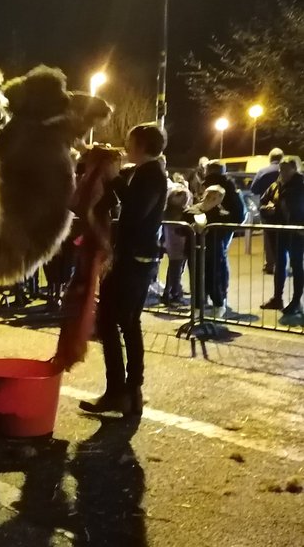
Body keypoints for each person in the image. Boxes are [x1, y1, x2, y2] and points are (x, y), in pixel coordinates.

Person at [80, 122, 168, 417]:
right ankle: (127, 392)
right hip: (130, 259)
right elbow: (120, 201)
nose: (125, 146)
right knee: (123, 324)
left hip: (134, 261)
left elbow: (136, 208)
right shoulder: (141, 172)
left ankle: (123, 391)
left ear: (142, 144)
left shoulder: (153, 174)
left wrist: (114, 179)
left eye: (129, 141)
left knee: (115, 322)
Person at [187, 161, 244, 318]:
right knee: (216, 268)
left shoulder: (216, 187)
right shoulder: (230, 187)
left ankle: (211, 301)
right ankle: (217, 300)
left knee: (210, 269)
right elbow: (239, 214)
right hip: (216, 237)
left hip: (212, 237)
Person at [261, 155, 304, 322]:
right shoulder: (276, 185)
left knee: (296, 265)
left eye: (286, 169)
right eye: (281, 169)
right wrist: (267, 209)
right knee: (280, 265)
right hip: (280, 231)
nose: (282, 172)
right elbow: (263, 201)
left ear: (295, 169)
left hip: (297, 232)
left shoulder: (300, 185)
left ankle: (296, 301)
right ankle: (277, 298)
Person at [252, 147, 284, 274]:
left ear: (270, 158)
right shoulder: (287, 171)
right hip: (284, 208)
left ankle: (270, 264)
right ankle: (283, 263)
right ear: (282, 158)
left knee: (268, 236)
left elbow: (254, 189)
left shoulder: (262, 171)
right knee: (284, 235)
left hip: (267, 209)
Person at [162, 172, 192, 304]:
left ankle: (171, 291)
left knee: (175, 268)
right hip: (177, 245)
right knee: (176, 268)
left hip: (175, 246)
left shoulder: (169, 213)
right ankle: (174, 293)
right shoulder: (179, 214)